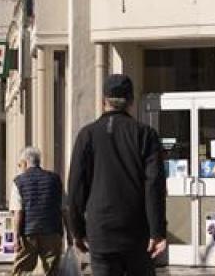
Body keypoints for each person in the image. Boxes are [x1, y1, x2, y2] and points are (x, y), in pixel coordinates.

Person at [67, 74, 167, 276]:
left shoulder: (87, 135)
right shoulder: (145, 134)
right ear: (131, 101)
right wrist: (157, 231)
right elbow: (154, 184)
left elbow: (76, 187)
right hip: (137, 230)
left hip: (101, 230)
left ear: (104, 100)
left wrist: (77, 230)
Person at [8, 146, 67, 275]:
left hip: (28, 233)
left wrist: (16, 237)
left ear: (24, 163)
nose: (19, 167)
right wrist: (70, 235)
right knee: (51, 271)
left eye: (19, 164)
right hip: (52, 231)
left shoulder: (18, 182)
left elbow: (18, 212)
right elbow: (64, 209)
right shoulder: (55, 179)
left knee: (21, 270)